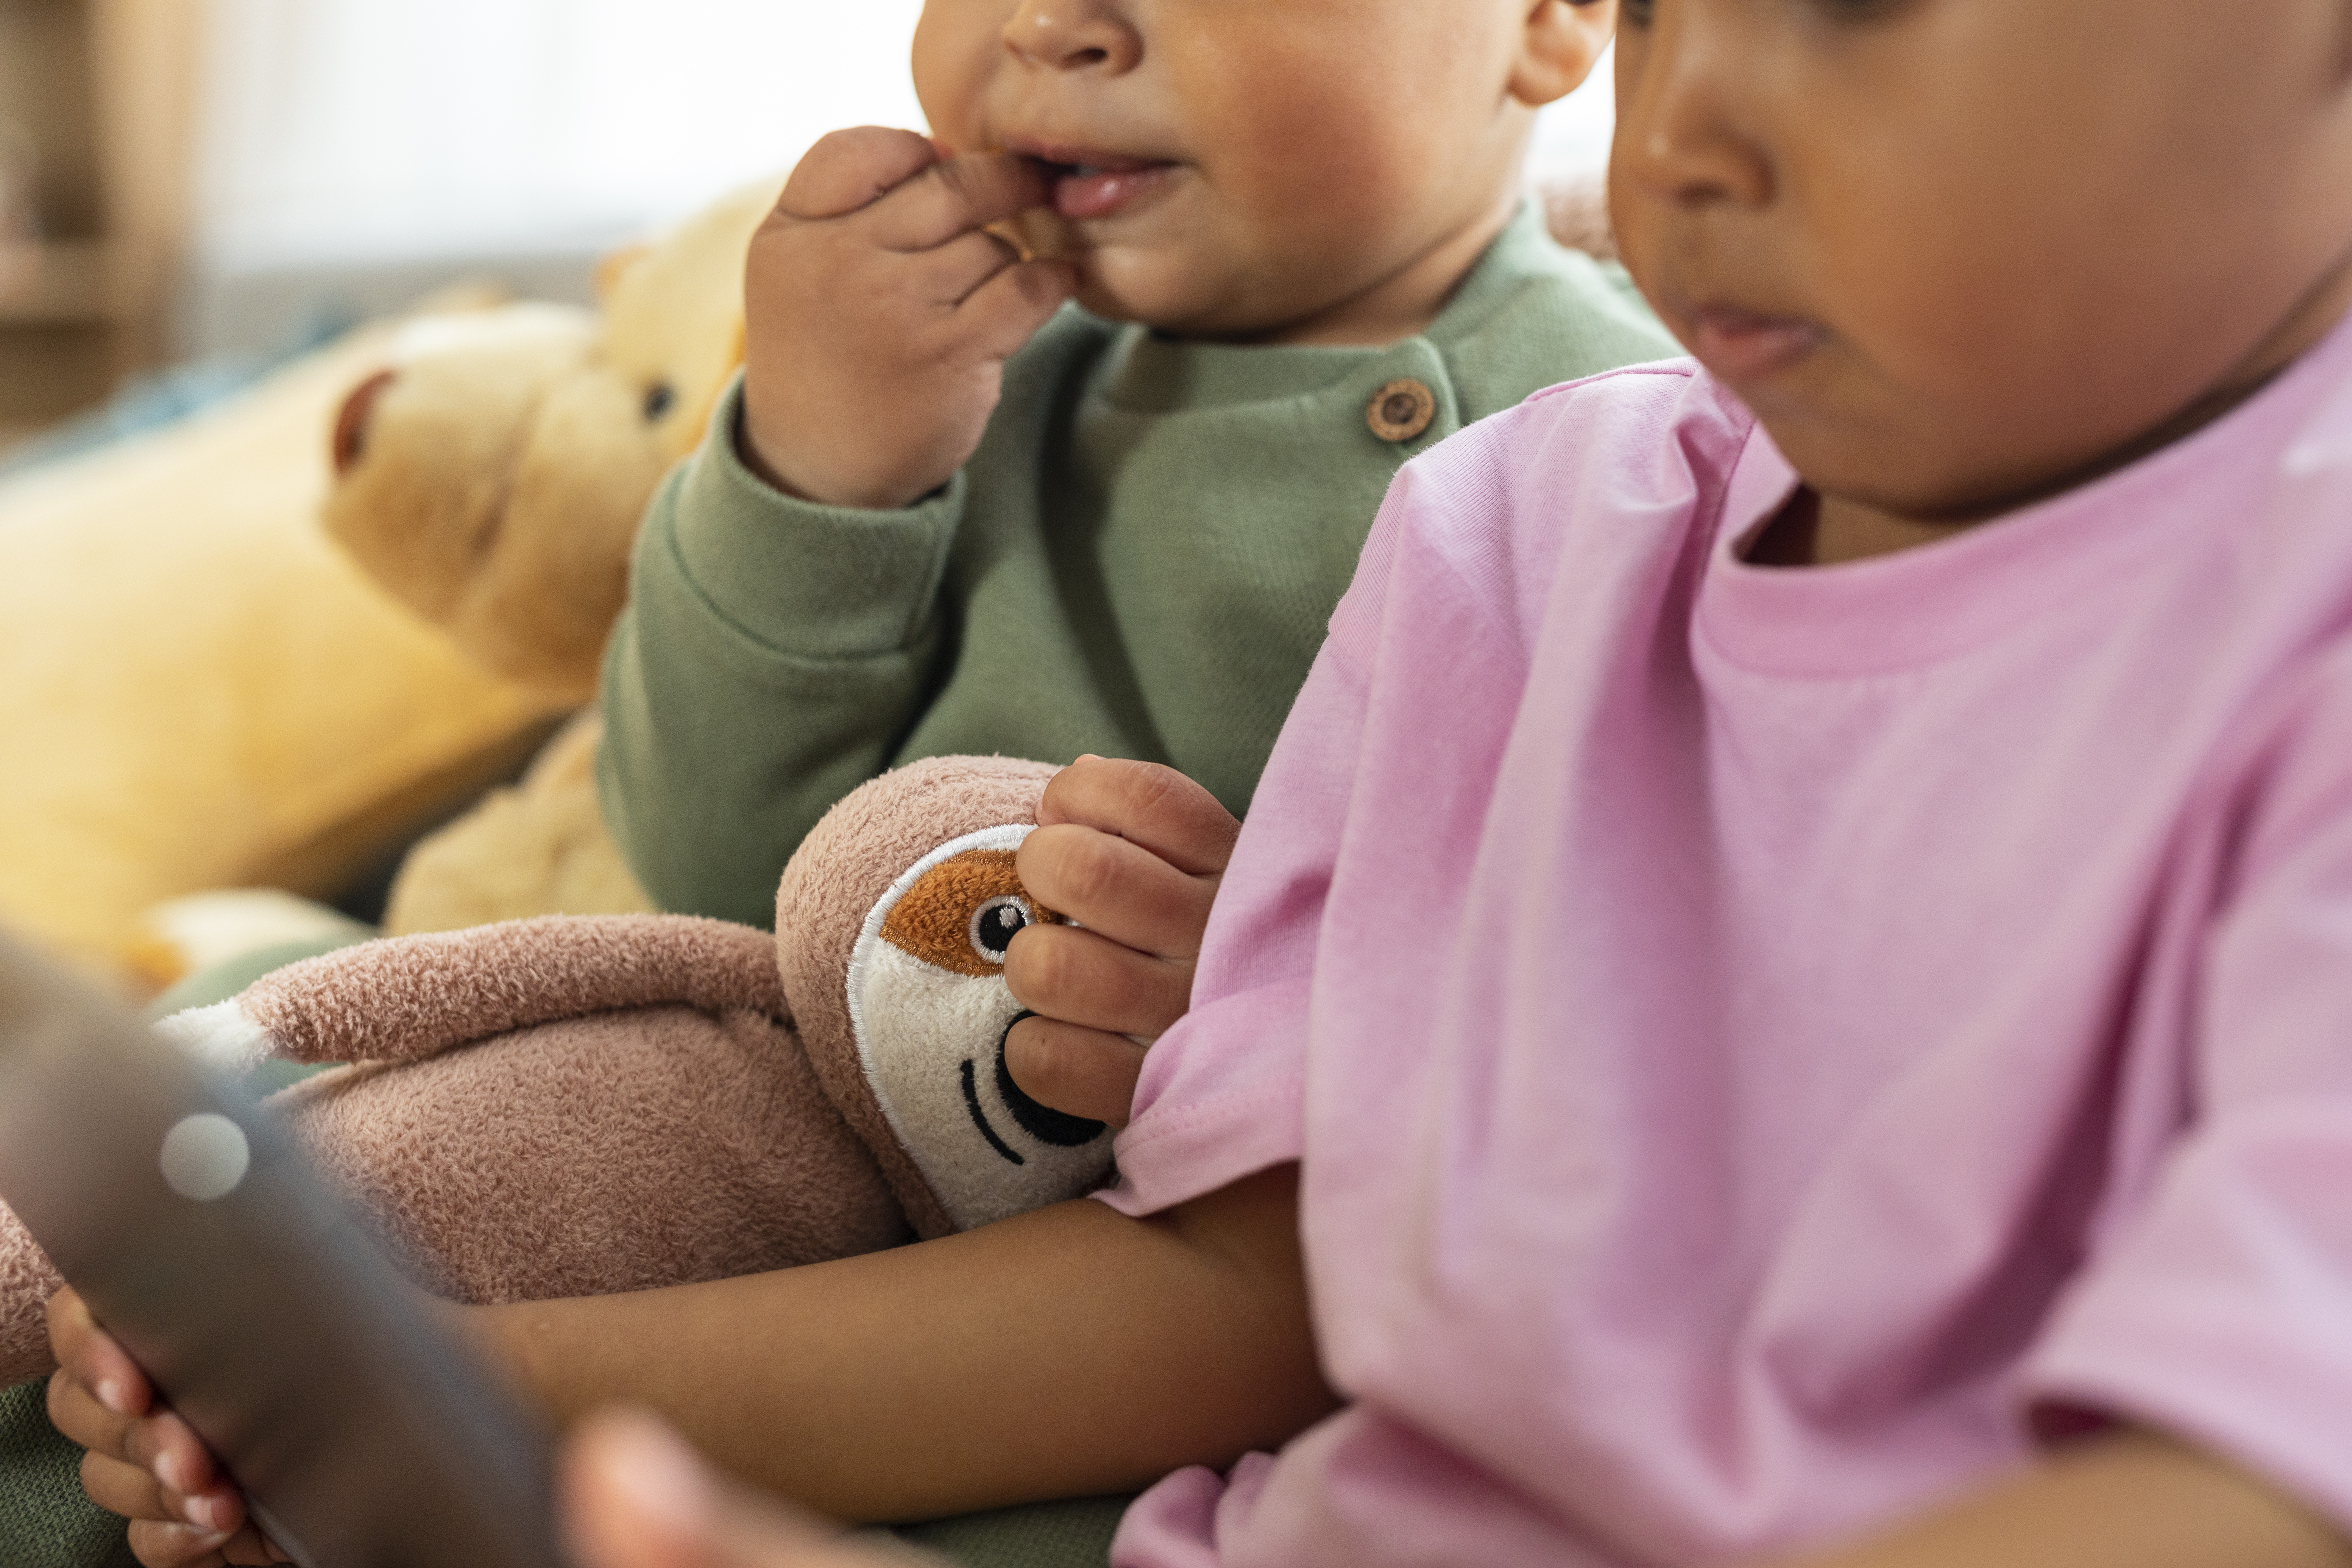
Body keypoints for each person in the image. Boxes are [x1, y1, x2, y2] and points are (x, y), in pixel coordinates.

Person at [55, 0, 2352, 1565]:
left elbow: (2261, 1481)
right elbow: (1253, 1292)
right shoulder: (1532, 532)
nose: (1687, 140)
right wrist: (465, 1403)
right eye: (1676, 8)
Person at [593, 0, 1668, 1119]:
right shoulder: (932, 389)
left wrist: (1281, 993)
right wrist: (812, 471)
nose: (1051, 24)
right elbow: (706, 882)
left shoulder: (1662, 431)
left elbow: (1676, 992)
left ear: (1550, 18)